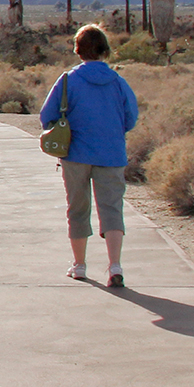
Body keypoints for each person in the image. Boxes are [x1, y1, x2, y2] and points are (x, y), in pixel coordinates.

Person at [39, 24, 139, 288]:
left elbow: (46, 116)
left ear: (78, 49)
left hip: (76, 154)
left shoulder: (68, 80)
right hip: (112, 154)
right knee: (111, 209)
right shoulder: (118, 82)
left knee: (78, 208)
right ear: (105, 50)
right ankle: (115, 266)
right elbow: (131, 118)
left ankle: (80, 265)